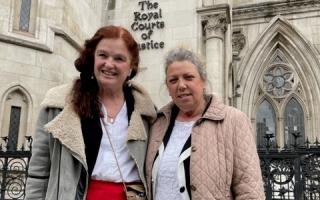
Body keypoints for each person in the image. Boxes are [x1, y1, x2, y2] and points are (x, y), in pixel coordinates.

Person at [25, 25, 157, 200]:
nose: (109, 64)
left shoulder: (147, 112)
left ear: (131, 66)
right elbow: (38, 173)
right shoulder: (58, 104)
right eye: (102, 55)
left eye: (119, 58)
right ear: (92, 58)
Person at [145, 47, 265, 200]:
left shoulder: (234, 120)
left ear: (203, 81)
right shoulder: (158, 123)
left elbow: (250, 191)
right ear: (168, 88)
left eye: (188, 77)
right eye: (173, 80)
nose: (181, 85)